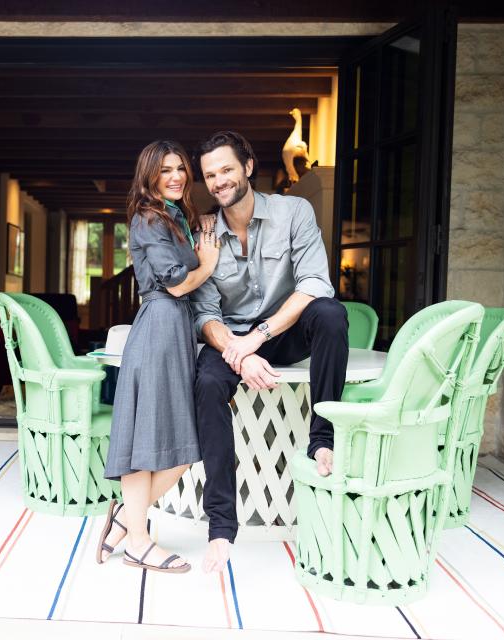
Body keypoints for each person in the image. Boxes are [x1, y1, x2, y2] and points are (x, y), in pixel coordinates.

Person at [190, 131, 349, 573]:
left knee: (331, 314)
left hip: (283, 330)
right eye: (210, 175)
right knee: (206, 383)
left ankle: (323, 439)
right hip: (230, 340)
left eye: (226, 169)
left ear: (247, 167)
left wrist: (257, 338)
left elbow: (315, 283)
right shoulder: (203, 234)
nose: (219, 180)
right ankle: (221, 525)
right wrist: (239, 351)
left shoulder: (293, 211)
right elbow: (203, 314)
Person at [98, 140, 220, 574]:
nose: (175, 176)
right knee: (147, 440)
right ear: (148, 176)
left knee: (180, 445)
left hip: (175, 331)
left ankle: (125, 522)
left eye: (181, 168)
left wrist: (200, 236)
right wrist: (207, 263)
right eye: (165, 169)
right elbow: (174, 283)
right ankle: (139, 540)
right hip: (160, 325)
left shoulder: (174, 219)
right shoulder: (149, 219)